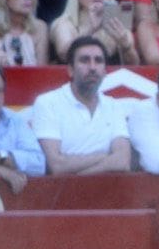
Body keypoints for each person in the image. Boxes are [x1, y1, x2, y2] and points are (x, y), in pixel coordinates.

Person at [32, 36, 130, 175]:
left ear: (105, 72)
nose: (92, 67)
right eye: (84, 60)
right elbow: (56, 165)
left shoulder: (114, 106)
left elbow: (123, 161)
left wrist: (82, 175)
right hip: (61, 188)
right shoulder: (48, 103)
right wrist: (105, 157)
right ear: (70, 70)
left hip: (108, 187)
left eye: (98, 61)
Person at [49, 0, 139, 65]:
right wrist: (90, 29)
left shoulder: (117, 24)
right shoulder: (64, 23)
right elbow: (64, 55)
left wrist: (126, 46)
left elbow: (134, 65)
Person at [0, 63, 45, 202]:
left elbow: (39, 164)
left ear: (3, 95)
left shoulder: (15, 121)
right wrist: (0, 171)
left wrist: (1, 156)